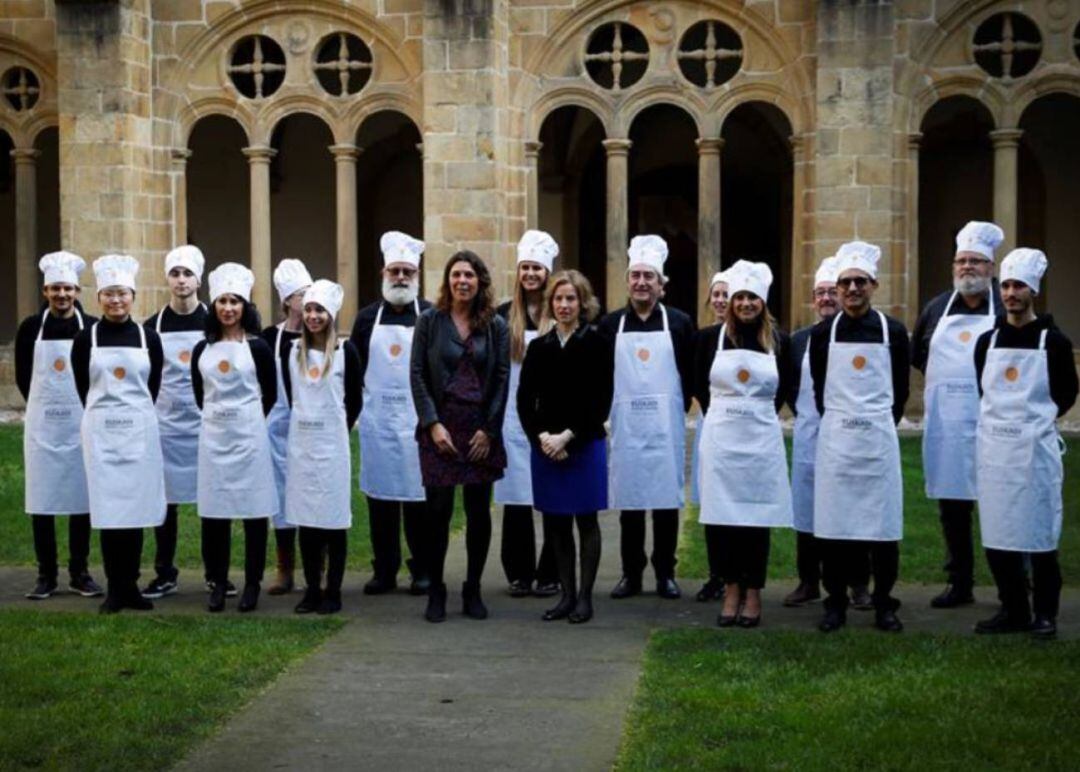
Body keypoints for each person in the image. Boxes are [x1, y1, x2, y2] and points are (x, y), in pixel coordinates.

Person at [973, 249, 1078, 639]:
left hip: (1034, 453)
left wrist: (1032, 424)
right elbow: (981, 389)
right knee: (999, 534)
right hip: (996, 454)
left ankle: (1045, 613)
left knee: (1039, 535)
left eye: (1018, 286)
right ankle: (1013, 608)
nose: (1011, 294)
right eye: (1006, 286)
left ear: (1033, 290)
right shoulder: (987, 341)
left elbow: (1066, 393)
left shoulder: (1055, 341)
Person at [810, 241, 910, 633]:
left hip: (877, 445)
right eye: (846, 283)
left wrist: (873, 422)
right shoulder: (823, 335)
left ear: (874, 285)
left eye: (860, 282)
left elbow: (900, 391)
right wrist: (843, 422)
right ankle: (834, 603)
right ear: (836, 289)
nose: (853, 289)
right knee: (833, 530)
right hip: (836, 444)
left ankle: (885, 602)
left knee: (883, 530)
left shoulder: (893, 331)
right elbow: (821, 390)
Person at [410, 251, 510, 623]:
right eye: (456, 275)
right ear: (448, 281)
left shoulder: (495, 325)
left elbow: (502, 378)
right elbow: (417, 374)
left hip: (480, 428)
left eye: (469, 275)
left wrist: (490, 429)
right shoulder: (429, 322)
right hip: (440, 428)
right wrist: (432, 423)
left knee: (478, 512)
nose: (462, 281)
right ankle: (436, 589)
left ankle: (473, 588)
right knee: (437, 512)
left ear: (479, 281)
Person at [695, 261, 792, 628]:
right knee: (722, 520)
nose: (746, 303)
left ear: (763, 302)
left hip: (760, 443)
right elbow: (698, 385)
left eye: (753, 297)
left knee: (756, 518)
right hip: (721, 443)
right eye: (740, 297)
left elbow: (784, 389)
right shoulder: (708, 340)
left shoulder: (778, 342)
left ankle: (753, 593)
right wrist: (725, 415)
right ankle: (730, 588)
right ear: (730, 302)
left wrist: (753, 414)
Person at [912, 221, 1004, 609]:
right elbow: (918, 354)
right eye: (961, 261)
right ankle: (960, 582)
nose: (967, 268)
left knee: (1004, 502)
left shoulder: (1007, 307)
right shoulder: (936, 309)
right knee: (953, 508)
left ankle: (1016, 584)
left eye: (976, 262)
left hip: (998, 424)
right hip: (949, 426)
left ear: (991, 269)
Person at [598, 235, 695, 600]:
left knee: (666, 501)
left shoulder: (681, 323)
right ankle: (631, 573)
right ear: (627, 282)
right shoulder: (611, 326)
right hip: (627, 427)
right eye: (635, 275)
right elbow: (603, 376)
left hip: (665, 428)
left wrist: (672, 410)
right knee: (631, 502)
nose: (641, 282)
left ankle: (665, 573)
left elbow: (688, 374)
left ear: (661, 285)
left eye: (648, 276)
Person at [72, 254, 166, 613]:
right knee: (111, 512)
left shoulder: (148, 338)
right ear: (99, 298)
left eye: (122, 294)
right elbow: (83, 386)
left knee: (136, 510)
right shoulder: (86, 338)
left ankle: (132, 586)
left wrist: (131, 416)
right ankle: (115, 586)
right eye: (109, 294)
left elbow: (152, 387)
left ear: (133, 296)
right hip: (102, 438)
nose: (116, 301)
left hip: (139, 435)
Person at [518, 270, 613, 624]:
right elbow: (526, 400)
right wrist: (541, 436)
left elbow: (600, 400)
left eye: (571, 298)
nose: (564, 305)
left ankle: (585, 598)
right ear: (550, 304)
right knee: (556, 523)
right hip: (546, 448)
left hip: (583, 444)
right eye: (558, 299)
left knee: (586, 521)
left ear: (582, 302)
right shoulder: (539, 348)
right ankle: (566, 595)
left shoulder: (597, 343)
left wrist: (567, 436)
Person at [784, 256, 871, 609]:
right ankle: (808, 580)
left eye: (829, 293)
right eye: (819, 293)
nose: (825, 299)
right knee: (806, 510)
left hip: (851, 437)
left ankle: (859, 584)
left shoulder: (864, 333)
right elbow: (791, 388)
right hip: (810, 436)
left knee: (852, 509)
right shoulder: (800, 340)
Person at [15, 251, 102, 600]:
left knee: (81, 497)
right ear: (45, 292)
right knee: (43, 499)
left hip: (81, 423)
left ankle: (79, 571)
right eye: (54, 289)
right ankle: (46, 573)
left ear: (78, 291)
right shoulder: (30, 329)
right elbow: (24, 377)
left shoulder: (92, 328)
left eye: (67, 288)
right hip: (43, 427)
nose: (61, 295)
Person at [193, 263, 278, 613]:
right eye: (222, 301)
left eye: (235, 301)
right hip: (214, 439)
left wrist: (246, 420)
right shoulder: (202, 350)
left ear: (246, 307)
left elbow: (270, 394)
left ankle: (253, 583)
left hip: (249, 439)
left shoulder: (258, 348)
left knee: (254, 513)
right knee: (215, 514)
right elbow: (200, 394)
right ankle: (217, 582)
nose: (229, 308)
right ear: (214, 307)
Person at [352, 232, 431, 596]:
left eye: (407, 272)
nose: (401, 278)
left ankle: (422, 569)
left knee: (419, 500)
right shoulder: (366, 319)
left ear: (417, 275)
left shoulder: (431, 315)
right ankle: (384, 569)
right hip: (378, 424)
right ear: (384, 272)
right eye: (395, 271)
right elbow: (355, 371)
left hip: (419, 424)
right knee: (381, 501)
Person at [283, 280, 362, 615]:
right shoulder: (292, 353)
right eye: (310, 309)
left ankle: (333, 590)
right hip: (302, 446)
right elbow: (291, 396)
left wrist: (334, 431)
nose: (313, 316)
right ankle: (312, 588)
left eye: (320, 311)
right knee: (306, 519)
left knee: (332, 519)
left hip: (332, 447)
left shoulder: (347, 352)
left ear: (331, 315)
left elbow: (355, 400)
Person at [140, 245, 208, 599]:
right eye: (175, 274)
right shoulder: (152, 327)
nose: (181, 281)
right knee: (165, 504)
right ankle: (165, 572)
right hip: (165, 426)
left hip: (206, 426)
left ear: (199, 279)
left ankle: (217, 573)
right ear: (167, 279)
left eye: (187, 274)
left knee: (213, 500)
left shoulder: (214, 322)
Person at [495, 230, 560, 599]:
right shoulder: (506, 315)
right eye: (525, 268)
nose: (531, 274)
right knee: (516, 497)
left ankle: (550, 571)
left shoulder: (560, 310)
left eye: (537, 268)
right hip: (512, 419)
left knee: (552, 496)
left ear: (547, 273)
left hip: (551, 418)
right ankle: (518, 572)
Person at [262, 259, 313, 596]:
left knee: (314, 494)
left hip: (312, 427)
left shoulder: (322, 333)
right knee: (280, 498)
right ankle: (284, 568)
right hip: (278, 428)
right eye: (302, 294)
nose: (308, 300)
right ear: (288, 301)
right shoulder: (269, 337)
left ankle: (316, 567)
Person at [691, 270, 728, 603]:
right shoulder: (704, 338)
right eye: (715, 294)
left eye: (725, 294)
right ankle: (717, 575)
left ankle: (741, 577)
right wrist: (714, 410)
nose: (719, 300)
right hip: (712, 422)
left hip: (746, 429)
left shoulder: (763, 337)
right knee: (713, 502)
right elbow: (696, 381)